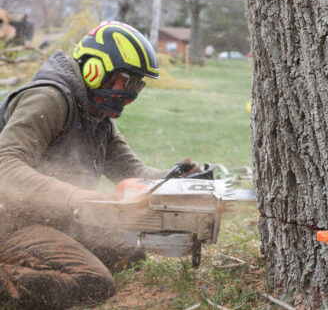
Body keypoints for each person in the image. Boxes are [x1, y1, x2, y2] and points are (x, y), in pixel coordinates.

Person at [0, 21, 200, 309]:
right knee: (94, 282)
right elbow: (5, 165)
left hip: (49, 219)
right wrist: (73, 195)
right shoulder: (49, 98)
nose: (131, 93)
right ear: (96, 69)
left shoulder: (96, 114)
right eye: (127, 80)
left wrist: (177, 176)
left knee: (130, 255)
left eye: (138, 84)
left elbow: (133, 173)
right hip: (11, 221)